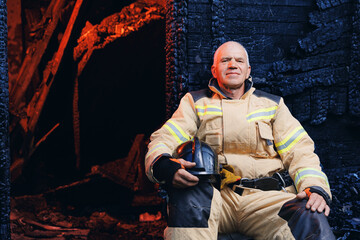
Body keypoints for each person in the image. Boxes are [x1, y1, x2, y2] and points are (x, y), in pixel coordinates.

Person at [145, 41, 335, 240]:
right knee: (186, 196)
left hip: (267, 200)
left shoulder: (273, 105)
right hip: (215, 198)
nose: (233, 64)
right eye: (225, 60)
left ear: (247, 70)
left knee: (309, 215)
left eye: (239, 61)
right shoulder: (195, 103)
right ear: (214, 70)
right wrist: (162, 165)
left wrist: (314, 188)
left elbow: (300, 151)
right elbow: (166, 137)